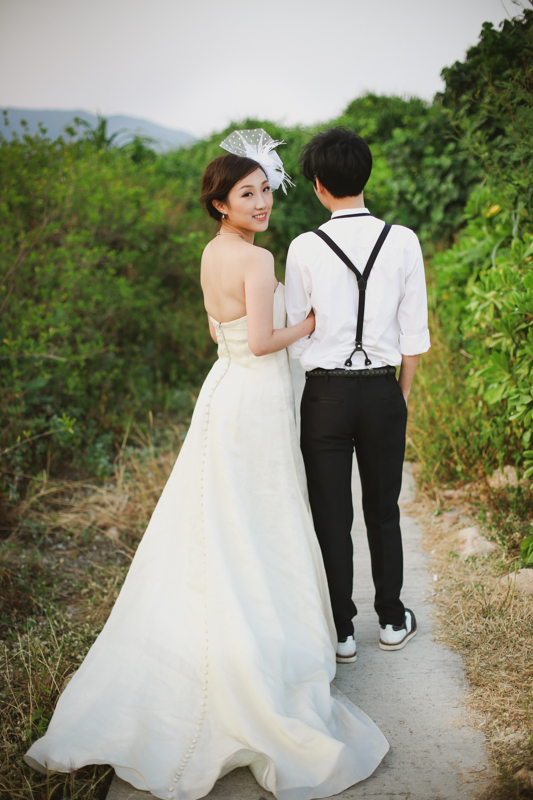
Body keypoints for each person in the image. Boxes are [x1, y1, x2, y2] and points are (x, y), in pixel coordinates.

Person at [25, 129, 388, 800]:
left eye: (263, 192)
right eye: (244, 194)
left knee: (219, 520)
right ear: (219, 203)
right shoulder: (256, 260)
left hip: (220, 390)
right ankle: (258, 656)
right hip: (252, 394)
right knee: (258, 518)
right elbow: (259, 340)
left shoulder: (211, 254)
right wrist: (303, 326)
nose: (261, 203)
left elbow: (215, 332)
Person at [285, 127, 430, 665]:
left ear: (319, 185)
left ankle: (342, 630)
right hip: (383, 390)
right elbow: (414, 335)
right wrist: (400, 394)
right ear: (365, 174)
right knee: (383, 509)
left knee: (331, 513)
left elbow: (298, 326)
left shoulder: (303, 247)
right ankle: (392, 619)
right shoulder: (404, 240)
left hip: (324, 396)